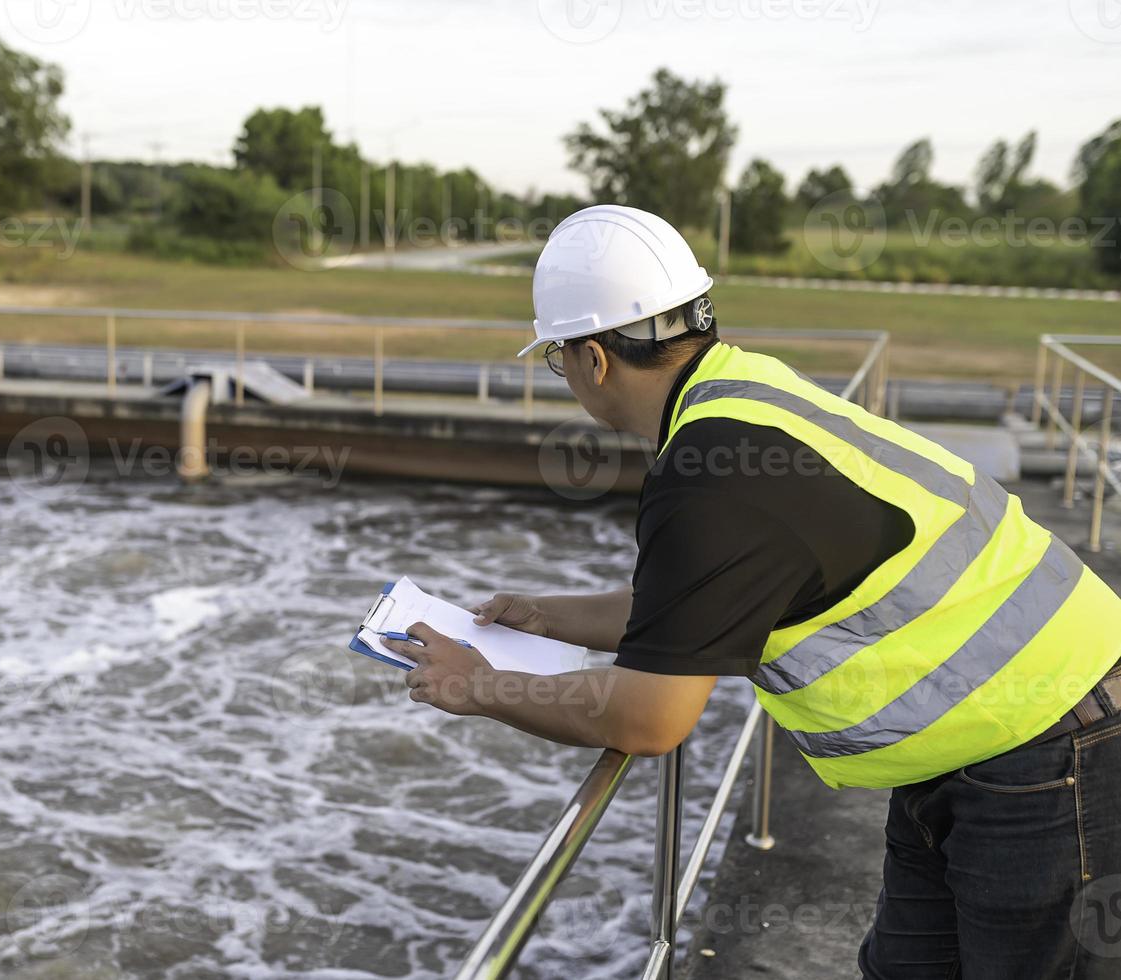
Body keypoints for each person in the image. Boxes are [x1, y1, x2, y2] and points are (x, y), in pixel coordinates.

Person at [380, 205, 1121, 979]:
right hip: (990, 737)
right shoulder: (740, 394)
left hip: (1047, 749)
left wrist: (481, 686)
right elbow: (704, 605)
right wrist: (547, 616)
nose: (560, 376)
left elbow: (649, 717)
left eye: (554, 359)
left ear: (593, 358)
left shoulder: (709, 474)